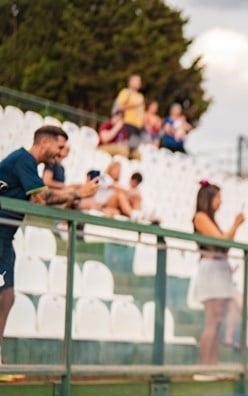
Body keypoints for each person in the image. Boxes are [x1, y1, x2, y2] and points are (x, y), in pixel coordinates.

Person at [0, 126, 99, 363]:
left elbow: (41, 199)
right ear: (44, 142)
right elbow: (43, 198)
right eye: (59, 147)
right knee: (4, 297)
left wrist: (75, 196)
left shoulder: (26, 165)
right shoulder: (23, 160)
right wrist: (79, 193)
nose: (61, 153)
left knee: (7, 297)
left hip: (6, 239)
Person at [192, 180, 245, 365]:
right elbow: (223, 242)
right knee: (212, 322)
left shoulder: (211, 220)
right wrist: (236, 224)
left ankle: (212, 366)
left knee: (217, 322)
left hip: (220, 269)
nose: (220, 202)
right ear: (209, 198)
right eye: (218, 198)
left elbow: (223, 248)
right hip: (211, 270)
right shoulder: (200, 217)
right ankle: (205, 366)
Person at [114, 74, 145, 152]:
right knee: (125, 148)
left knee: (133, 148)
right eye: (136, 81)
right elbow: (119, 107)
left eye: (139, 81)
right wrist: (134, 105)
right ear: (130, 82)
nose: (138, 83)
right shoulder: (126, 92)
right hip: (127, 123)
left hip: (138, 126)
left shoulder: (140, 96)